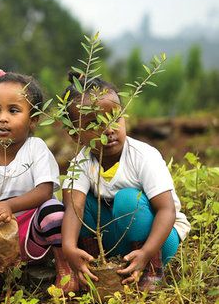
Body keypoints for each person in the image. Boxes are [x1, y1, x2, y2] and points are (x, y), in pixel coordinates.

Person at [60, 73, 191, 292]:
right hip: (118, 240)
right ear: (75, 134)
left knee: (127, 199)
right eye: (94, 123)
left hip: (159, 239)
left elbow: (166, 210)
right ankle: (95, 263)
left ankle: (150, 269)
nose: (108, 129)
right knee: (79, 203)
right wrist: (69, 247)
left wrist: (147, 253)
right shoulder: (81, 162)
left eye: (115, 117)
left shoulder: (143, 156)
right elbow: (75, 208)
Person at [0, 69, 76, 300]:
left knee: (53, 212)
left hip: (31, 232)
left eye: (13, 110)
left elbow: (44, 190)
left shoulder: (35, 147)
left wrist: (10, 206)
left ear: (33, 120)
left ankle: (64, 268)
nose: (2, 117)